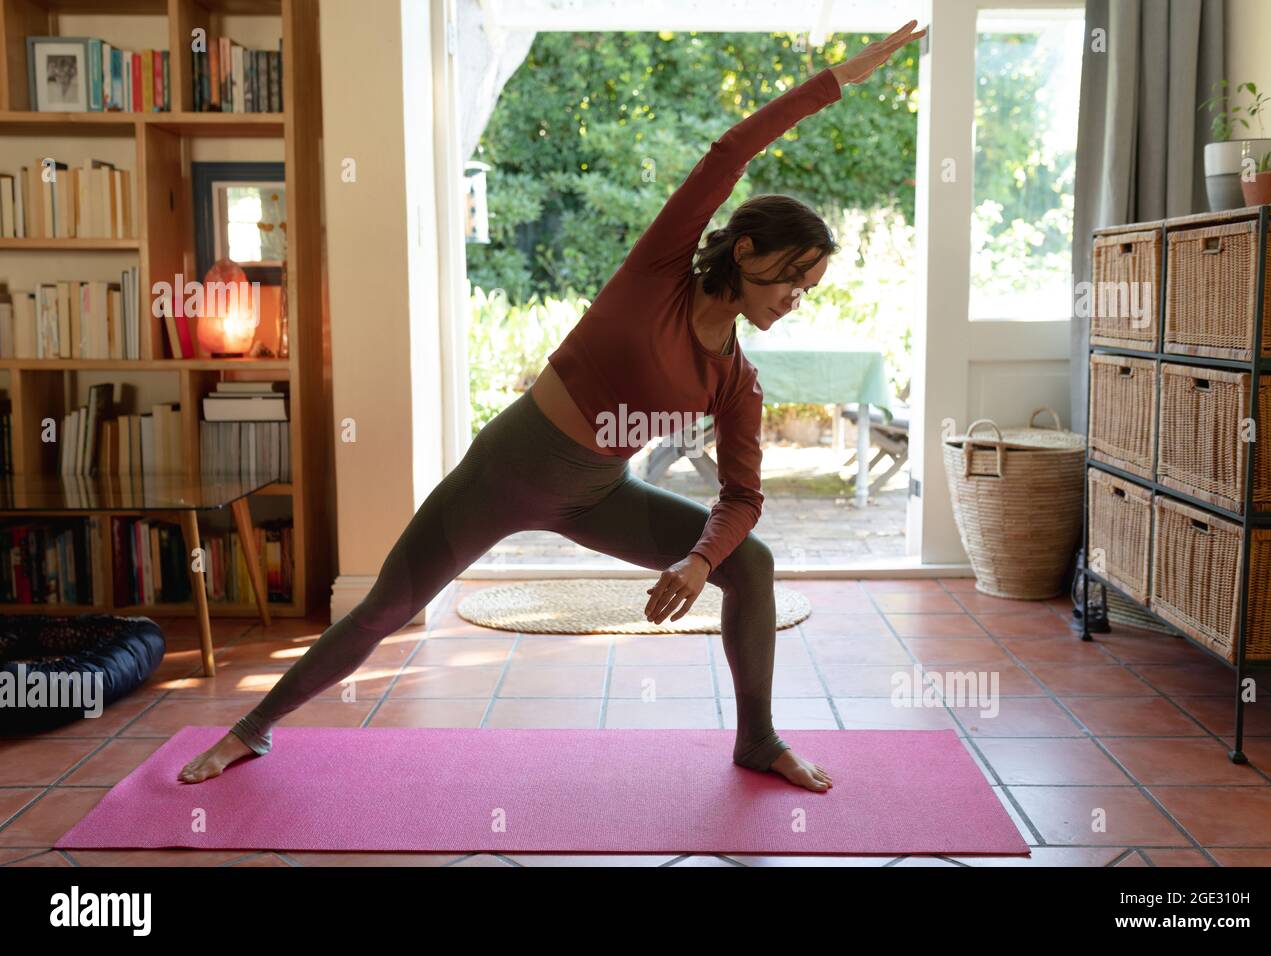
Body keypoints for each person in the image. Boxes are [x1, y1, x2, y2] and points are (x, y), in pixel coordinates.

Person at [178, 22, 927, 792]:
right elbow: (729, 152)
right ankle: (249, 730)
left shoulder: (736, 378)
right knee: (383, 609)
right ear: (745, 251)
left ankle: (758, 741)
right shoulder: (660, 271)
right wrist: (835, 80)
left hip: (597, 494)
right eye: (789, 278)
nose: (794, 299)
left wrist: (702, 560)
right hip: (508, 469)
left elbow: (743, 497)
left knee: (753, 565)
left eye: (808, 288)